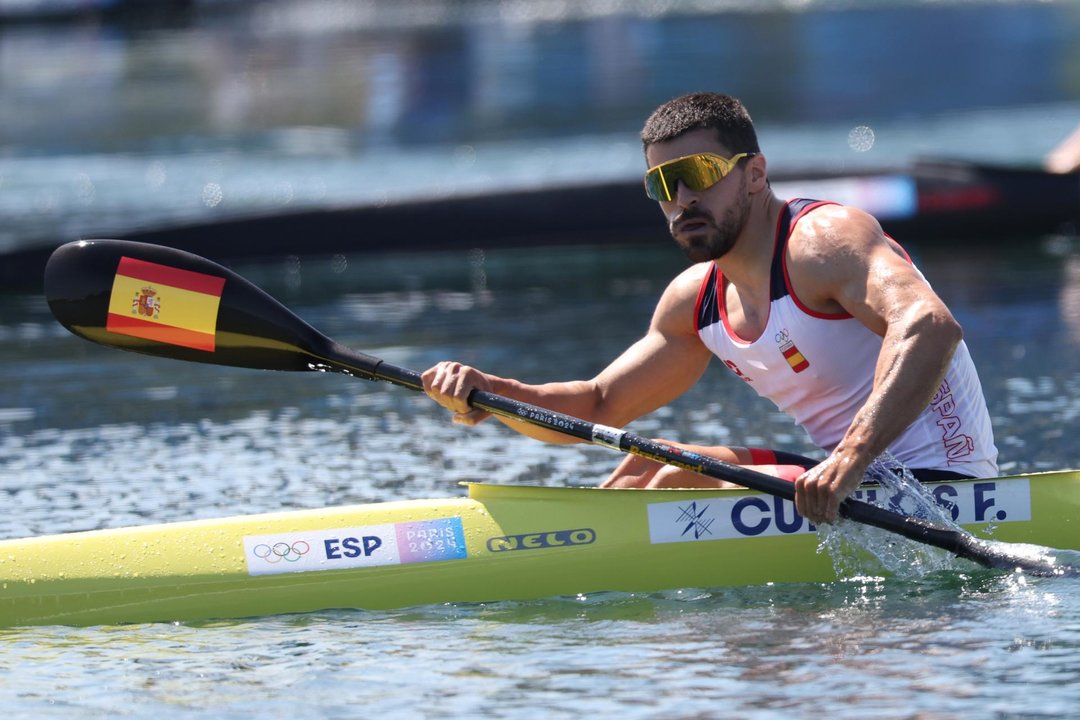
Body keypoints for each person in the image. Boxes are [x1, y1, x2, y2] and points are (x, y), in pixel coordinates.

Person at [422, 92, 998, 525]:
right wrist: (492, 394)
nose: (681, 201)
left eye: (696, 175)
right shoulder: (695, 300)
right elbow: (599, 404)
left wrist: (851, 455)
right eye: (661, 185)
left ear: (754, 173)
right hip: (845, 483)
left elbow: (929, 325)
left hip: (947, 489)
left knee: (675, 479)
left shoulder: (822, 242)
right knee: (645, 467)